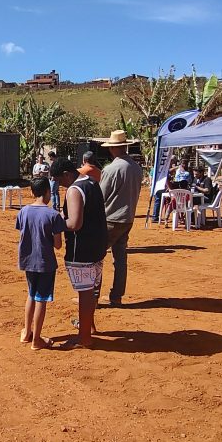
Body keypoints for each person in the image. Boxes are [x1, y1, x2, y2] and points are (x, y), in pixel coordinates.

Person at [51, 157, 108, 348]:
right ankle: (88, 327)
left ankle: (84, 337)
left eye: (60, 180)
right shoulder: (92, 182)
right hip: (97, 245)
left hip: (81, 249)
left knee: (84, 293)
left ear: (67, 174)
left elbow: (75, 224)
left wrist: (57, 222)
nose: (59, 185)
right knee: (90, 290)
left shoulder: (74, 190)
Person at [14, 178, 65, 350]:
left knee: (31, 294)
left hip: (28, 261)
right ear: (48, 192)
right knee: (41, 299)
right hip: (45, 263)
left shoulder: (23, 211)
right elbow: (58, 245)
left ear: (31, 192)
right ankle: (37, 339)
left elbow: (23, 232)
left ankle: (27, 332)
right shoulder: (53, 215)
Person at [97, 130, 143, 307]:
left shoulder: (111, 169)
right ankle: (116, 296)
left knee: (95, 258)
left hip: (110, 219)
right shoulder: (136, 168)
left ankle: (92, 298)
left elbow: (101, 197)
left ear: (113, 149)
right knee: (120, 259)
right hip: (127, 218)